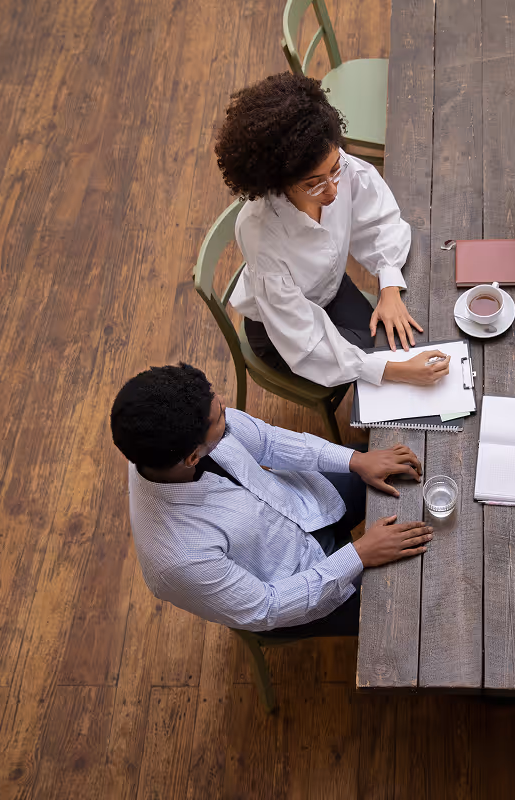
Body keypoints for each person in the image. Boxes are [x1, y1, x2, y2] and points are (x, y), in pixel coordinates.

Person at [111, 363, 434, 636]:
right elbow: (268, 607)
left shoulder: (186, 423)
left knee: (402, 463)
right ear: (193, 457)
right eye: (220, 419)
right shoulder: (177, 560)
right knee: (419, 606)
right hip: (302, 588)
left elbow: (268, 441)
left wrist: (354, 460)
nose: (225, 407)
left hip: (304, 503)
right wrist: (359, 553)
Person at [214, 72, 449, 388]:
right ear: (277, 182)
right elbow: (304, 343)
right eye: (314, 184)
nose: (333, 191)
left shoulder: (325, 160)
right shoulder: (262, 237)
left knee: (382, 341)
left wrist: (389, 284)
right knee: (379, 361)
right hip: (282, 330)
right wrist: (398, 372)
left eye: (335, 169)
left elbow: (377, 216)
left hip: (331, 288)